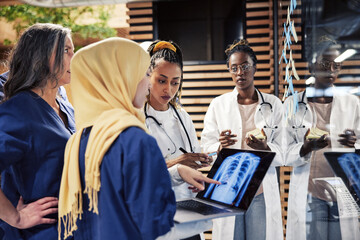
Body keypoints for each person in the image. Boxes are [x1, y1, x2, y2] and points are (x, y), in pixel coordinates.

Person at [58, 37, 219, 240]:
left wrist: (178, 171)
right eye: (145, 75)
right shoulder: (136, 140)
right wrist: (208, 218)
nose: (147, 83)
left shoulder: (79, 140)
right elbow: (154, 225)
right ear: (122, 79)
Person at [201, 39, 284, 240]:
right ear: (229, 71)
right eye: (234, 68)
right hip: (229, 190)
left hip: (260, 191)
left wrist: (265, 146)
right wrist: (220, 146)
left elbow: (284, 151)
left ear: (254, 67)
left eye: (245, 66)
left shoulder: (273, 104)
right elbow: (206, 148)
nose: (240, 72)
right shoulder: (218, 105)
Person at [0, 23, 75, 239]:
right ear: (41, 55)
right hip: (38, 233)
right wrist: (16, 217)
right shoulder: (18, 110)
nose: (74, 58)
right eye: (66, 51)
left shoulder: (65, 106)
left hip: (70, 229)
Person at [284, 36, 360, 240]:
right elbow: (283, 151)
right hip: (310, 193)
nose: (331, 70)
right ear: (311, 65)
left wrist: (356, 143)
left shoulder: (352, 103)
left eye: (336, 65)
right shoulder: (293, 104)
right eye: (325, 64)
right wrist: (306, 148)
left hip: (342, 191)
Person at [143, 40, 212, 201]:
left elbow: (192, 157)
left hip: (186, 199)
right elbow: (140, 171)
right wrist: (179, 162)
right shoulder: (138, 117)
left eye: (175, 83)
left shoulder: (183, 117)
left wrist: (198, 166)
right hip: (156, 203)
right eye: (162, 81)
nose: (169, 89)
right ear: (148, 76)